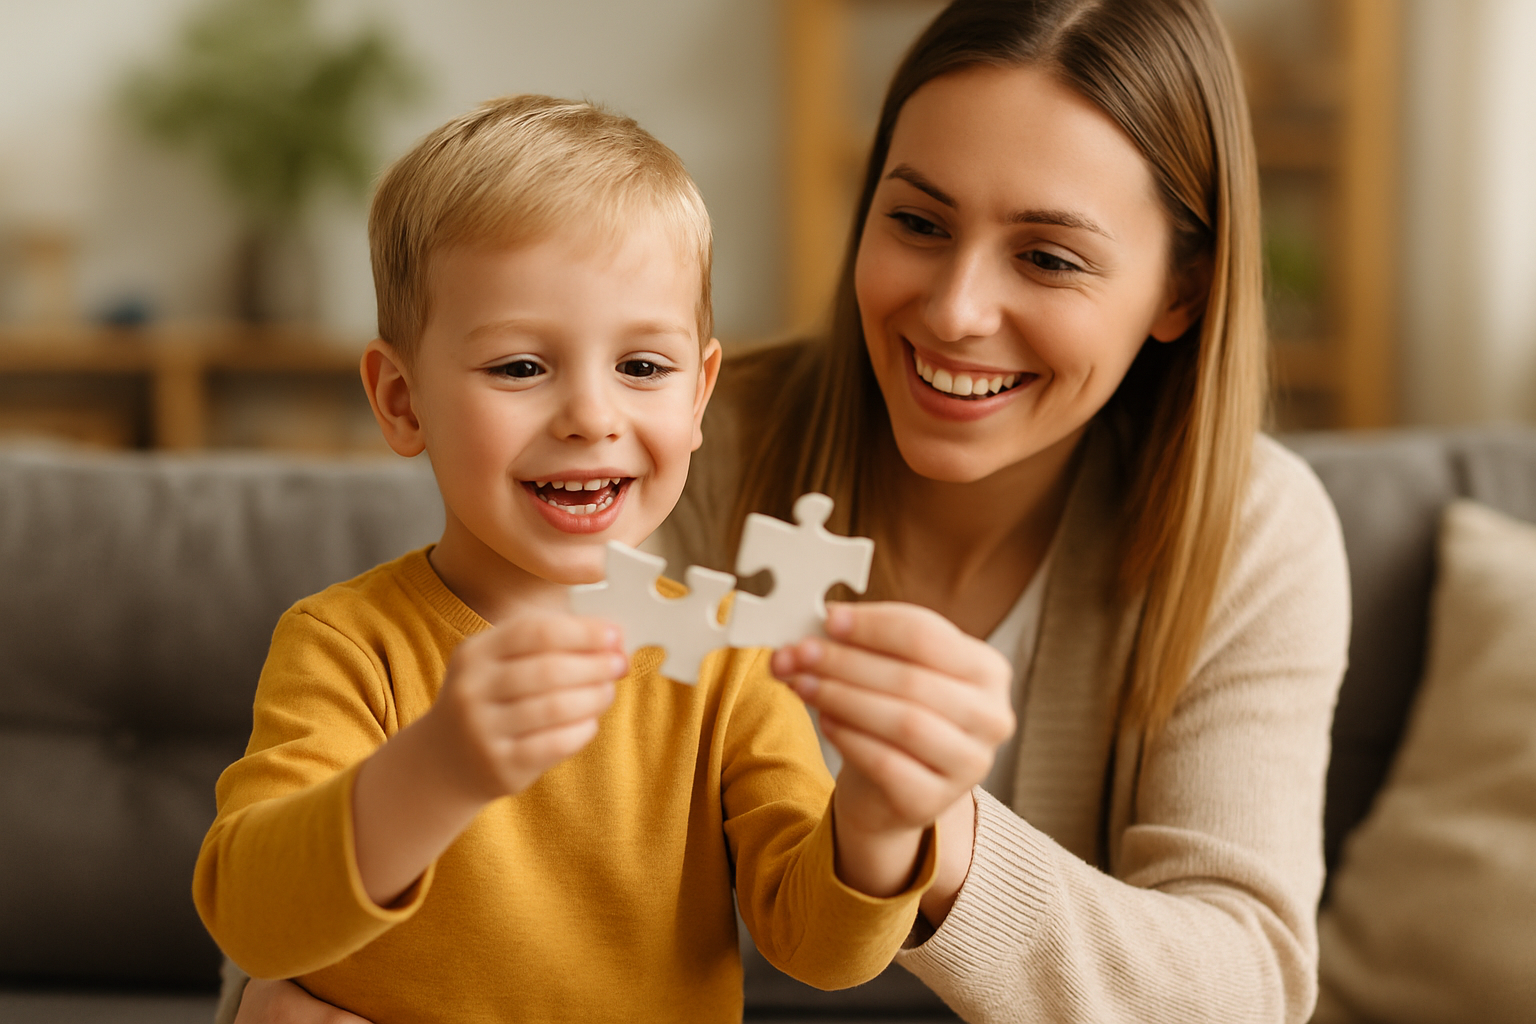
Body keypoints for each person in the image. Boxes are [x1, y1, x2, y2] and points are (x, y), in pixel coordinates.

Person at [236, 0, 1351, 1020]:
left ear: (1180, 290)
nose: (957, 310)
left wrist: (923, 830)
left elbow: (1246, 984)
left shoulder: (1252, 532)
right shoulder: (673, 452)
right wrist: (274, 997)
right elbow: (351, 829)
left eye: (1049, 256)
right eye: (917, 222)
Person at [196, 94, 1018, 1024]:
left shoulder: (729, 662)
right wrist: (438, 770)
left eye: (642, 367)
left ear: (702, 394)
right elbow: (253, 921)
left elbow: (820, 951)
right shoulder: (346, 645)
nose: (591, 416)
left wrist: (878, 820)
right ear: (401, 400)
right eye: (519, 367)